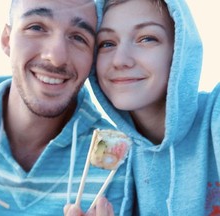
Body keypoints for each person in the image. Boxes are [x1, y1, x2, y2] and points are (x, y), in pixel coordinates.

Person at [0, 0, 128, 215]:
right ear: (7, 40)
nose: (56, 57)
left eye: (78, 37)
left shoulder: (114, 160)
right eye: (36, 27)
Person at [88, 0, 220, 215]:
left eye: (147, 38)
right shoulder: (110, 160)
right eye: (106, 43)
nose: (120, 60)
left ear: (179, 50)